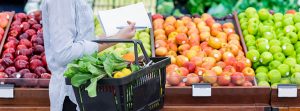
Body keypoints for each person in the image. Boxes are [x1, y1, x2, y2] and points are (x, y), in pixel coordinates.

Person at [41, 0, 136, 111]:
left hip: (82, 90)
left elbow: (81, 39)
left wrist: (113, 35)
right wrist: (116, 39)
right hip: (70, 94)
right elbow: (64, 53)